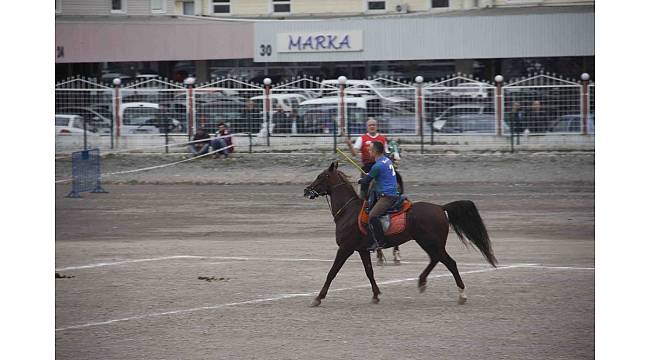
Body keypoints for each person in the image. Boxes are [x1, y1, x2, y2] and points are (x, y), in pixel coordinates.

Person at [358, 141, 400, 251]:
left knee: (372, 215)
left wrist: (360, 180)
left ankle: (381, 241)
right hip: (392, 192)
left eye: (370, 149)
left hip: (387, 196)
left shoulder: (377, 165)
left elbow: (366, 181)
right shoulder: (386, 160)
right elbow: (376, 176)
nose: (369, 150)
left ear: (375, 151)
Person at [346, 118, 388, 199]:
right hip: (367, 167)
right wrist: (349, 145)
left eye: (374, 125)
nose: (372, 126)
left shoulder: (382, 138)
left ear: (377, 126)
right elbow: (354, 153)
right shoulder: (362, 138)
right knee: (364, 187)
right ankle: (363, 201)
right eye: (370, 125)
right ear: (367, 127)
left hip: (380, 166)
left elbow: (386, 153)